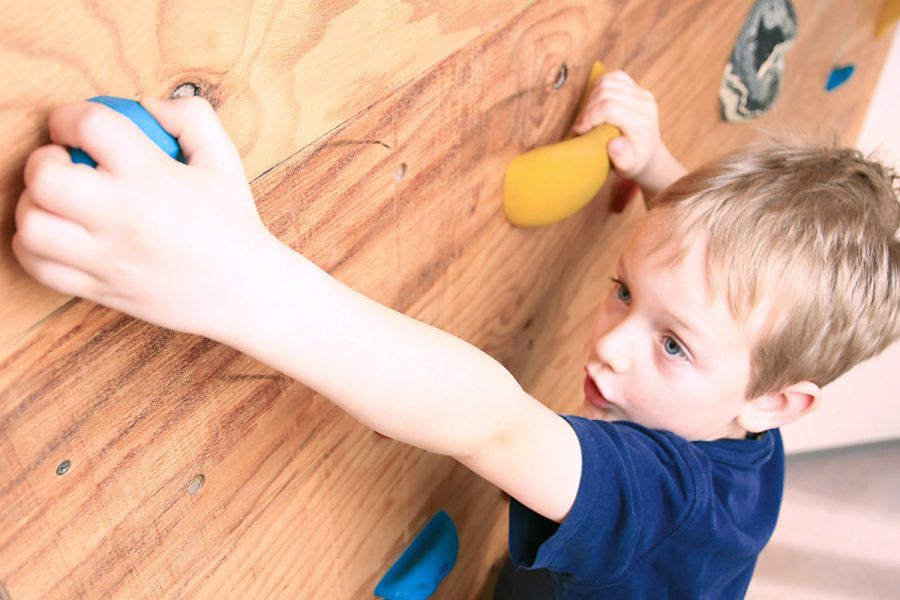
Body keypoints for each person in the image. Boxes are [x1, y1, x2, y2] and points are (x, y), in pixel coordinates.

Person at [12, 70, 899, 599]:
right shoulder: (747, 401)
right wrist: (662, 170)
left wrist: (236, 276)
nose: (614, 346)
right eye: (625, 291)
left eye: (673, 344)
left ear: (779, 402)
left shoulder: (666, 495)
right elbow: (718, 290)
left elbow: (494, 424)